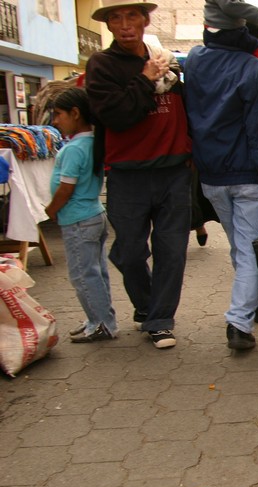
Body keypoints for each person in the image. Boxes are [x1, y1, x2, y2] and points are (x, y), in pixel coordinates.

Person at [85, 0, 193, 349]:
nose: (125, 24)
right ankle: (147, 306)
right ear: (109, 25)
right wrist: (146, 78)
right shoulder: (102, 64)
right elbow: (115, 115)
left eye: (132, 15)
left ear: (146, 20)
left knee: (172, 251)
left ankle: (161, 320)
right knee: (129, 252)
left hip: (174, 170)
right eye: (115, 18)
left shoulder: (170, 61)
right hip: (127, 174)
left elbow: (190, 108)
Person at [184, 19, 258, 351]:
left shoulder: (196, 60)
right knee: (249, 251)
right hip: (249, 179)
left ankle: (257, 303)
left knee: (240, 247)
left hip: (211, 176)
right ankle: (238, 323)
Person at [44, 88, 117, 343]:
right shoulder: (91, 142)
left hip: (78, 220)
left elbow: (66, 187)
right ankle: (99, 319)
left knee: (83, 275)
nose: (55, 121)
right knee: (96, 273)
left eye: (58, 114)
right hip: (92, 216)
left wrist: (50, 210)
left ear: (75, 114)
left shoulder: (74, 148)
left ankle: (101, 324)